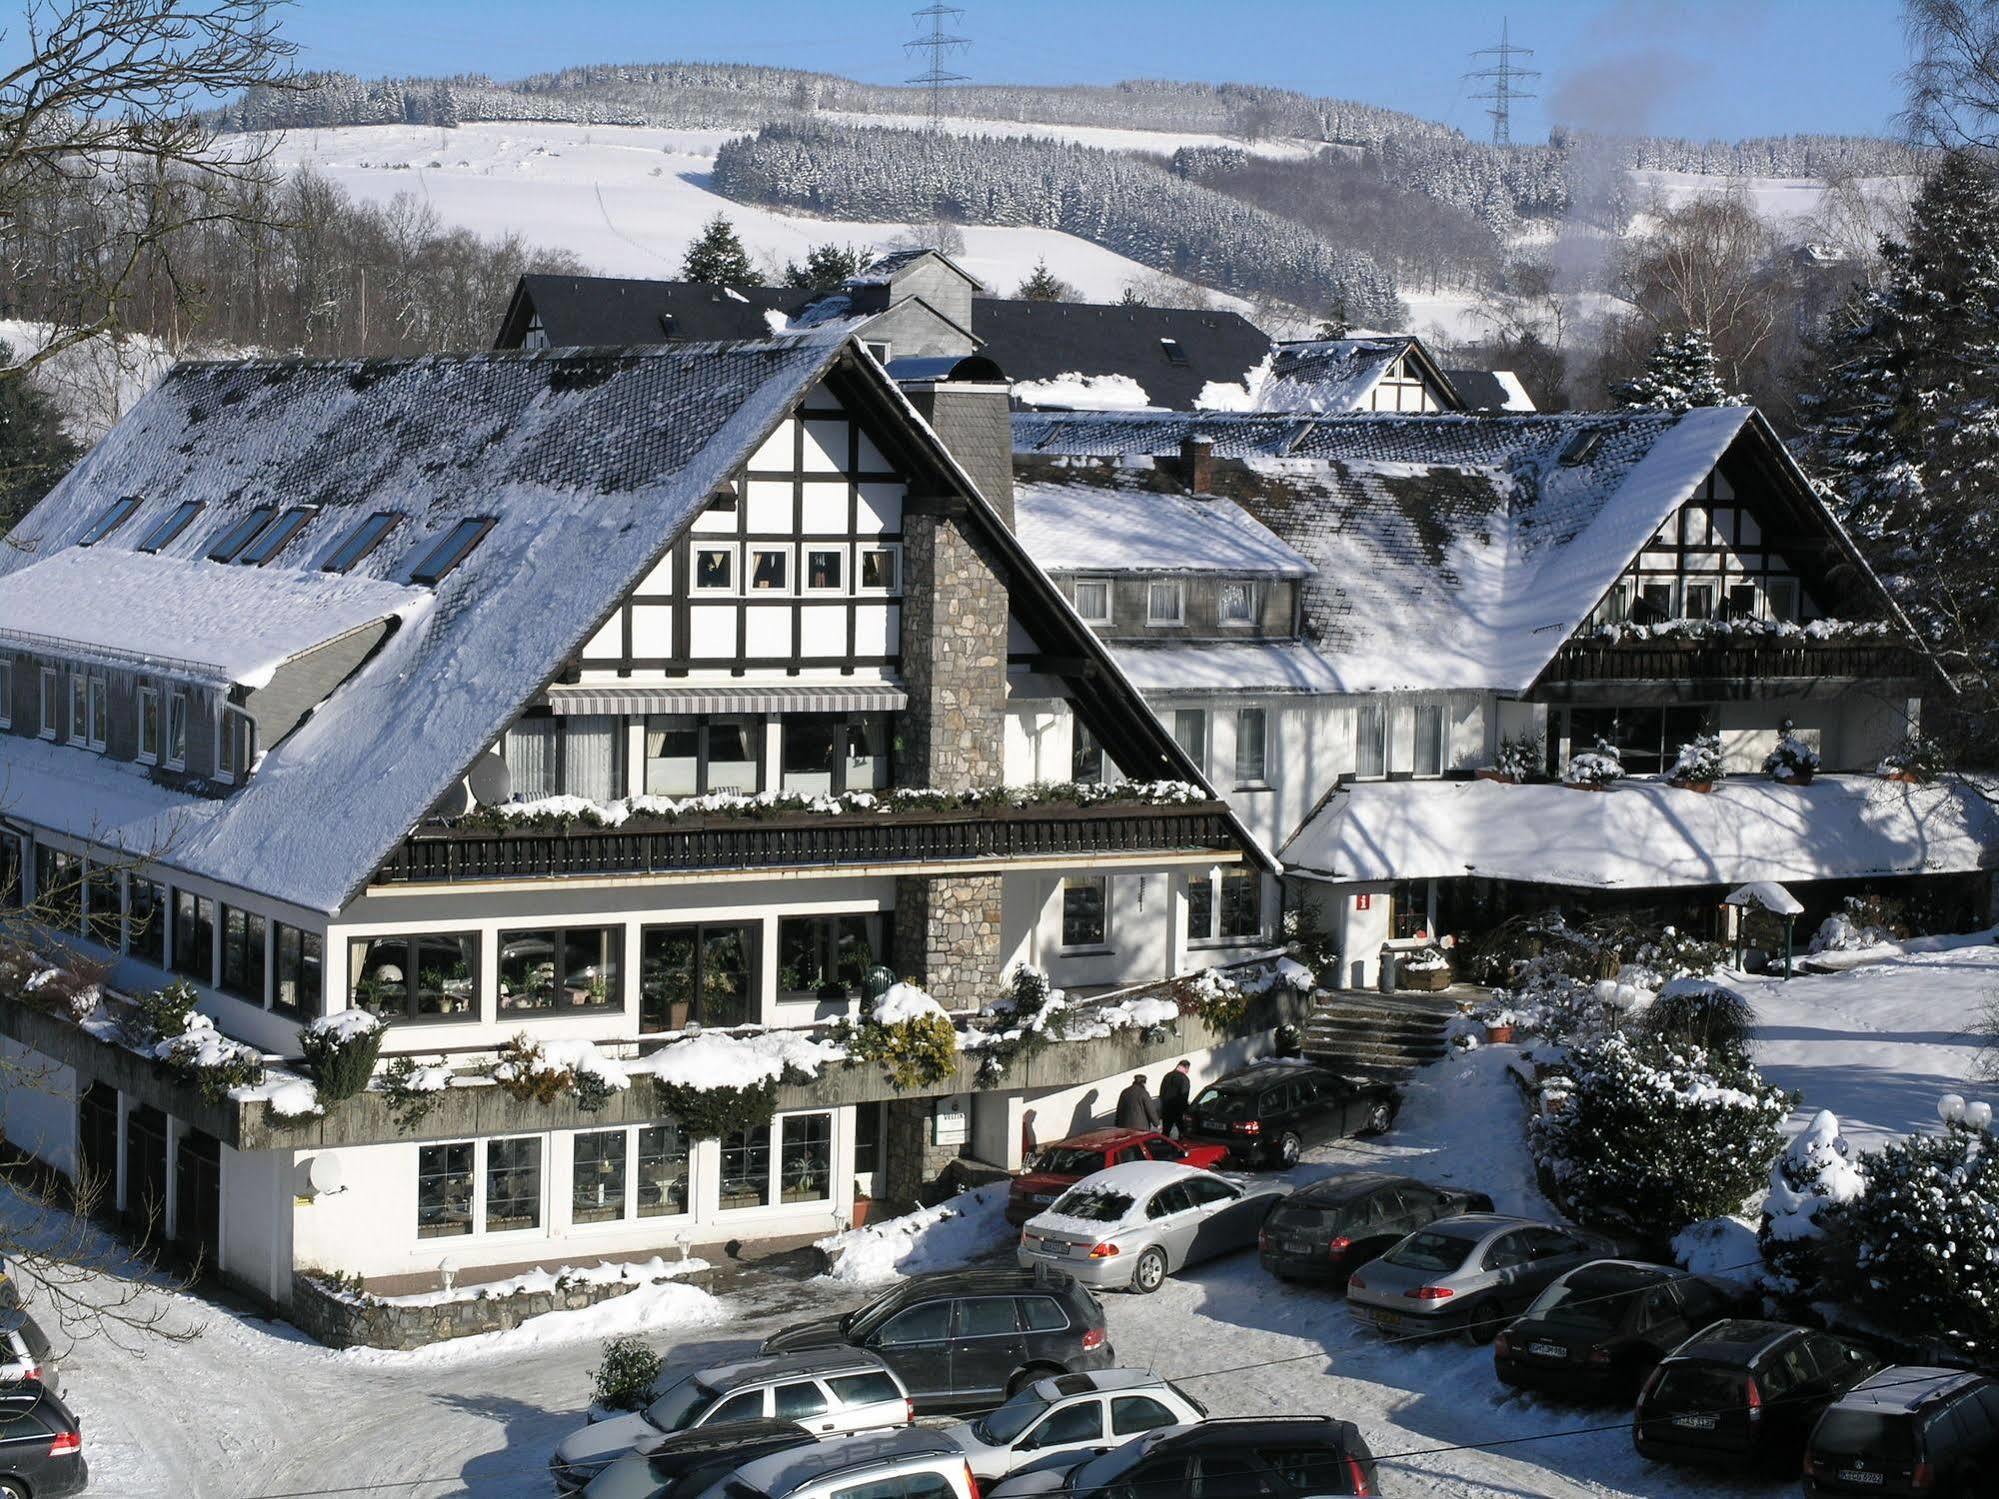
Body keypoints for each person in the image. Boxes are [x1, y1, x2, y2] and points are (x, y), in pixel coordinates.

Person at [1159, 1059, 1192, 1137]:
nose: (1187, 1071)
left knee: (1165, 1132)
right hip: (1178, 1111)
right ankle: (1181, 1147)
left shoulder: (1167, 1076)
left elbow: (1161, 1093)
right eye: (1187, 1069)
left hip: (1166, 1109)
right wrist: (1185, 1110)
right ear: (1186, 1068)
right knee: (1183, 1132)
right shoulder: (1184, 1079)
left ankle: (1163, 1147)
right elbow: (1184, 1096)